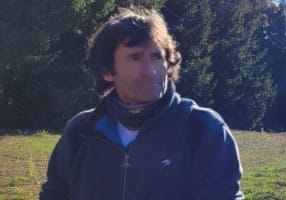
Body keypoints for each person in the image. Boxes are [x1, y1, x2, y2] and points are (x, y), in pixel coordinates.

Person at [40, 7, 244, 200]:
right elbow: (54, 194)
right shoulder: (82, 131)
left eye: (157, 57)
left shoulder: (203, 129)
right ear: (107, 72)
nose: (151, 71)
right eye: (135, 58)